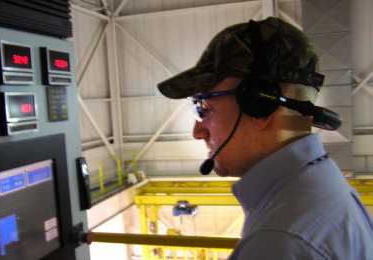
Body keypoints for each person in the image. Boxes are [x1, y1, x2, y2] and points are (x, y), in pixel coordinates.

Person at [157, 17, 373, 259]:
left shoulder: (278, 240)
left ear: (259, 104)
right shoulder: (325, 191)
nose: (197, 132)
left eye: (203, 108)